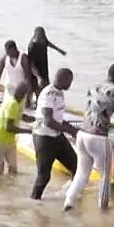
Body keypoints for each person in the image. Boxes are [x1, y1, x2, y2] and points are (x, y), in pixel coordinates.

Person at [65, 64, 114, 211]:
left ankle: (69, 202)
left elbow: (100, 102)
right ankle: (103, 209)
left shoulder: (95, 87)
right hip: (98, 136)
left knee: (81, 173)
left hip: (82, 134)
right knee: (105, 176)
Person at [30, 68, 79, 201]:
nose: (71, 84)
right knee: (44, 176)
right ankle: (34, 202)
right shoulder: (49, 93)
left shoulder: (59, 93)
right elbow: (48, 121)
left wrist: (73, 129)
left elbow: (57, 118)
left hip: (57, 136)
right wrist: (69, 131)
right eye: (70, 81)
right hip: (44, 138)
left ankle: (71, 197)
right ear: (64, 79)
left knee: (76, 166)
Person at [0, 81, 34, 176]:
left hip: (10, 140)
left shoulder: (15, 102)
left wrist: (33, 119)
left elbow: (18, 115)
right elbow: (9, 127)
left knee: (13, 170)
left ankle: (7, 188)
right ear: (24, 95)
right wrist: (29, 131)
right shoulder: (12, 104)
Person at [27, 26, 67, 92]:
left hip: (44, 66)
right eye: (40, 39)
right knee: (38, 87)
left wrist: (59, 50)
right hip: (36, 70)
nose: (42, 41)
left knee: (46, 85)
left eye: (43, 38)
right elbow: (31, 64)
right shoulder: (32, 46)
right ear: (36, 37)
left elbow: (49, 43)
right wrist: (38, 77)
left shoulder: (43, 40)